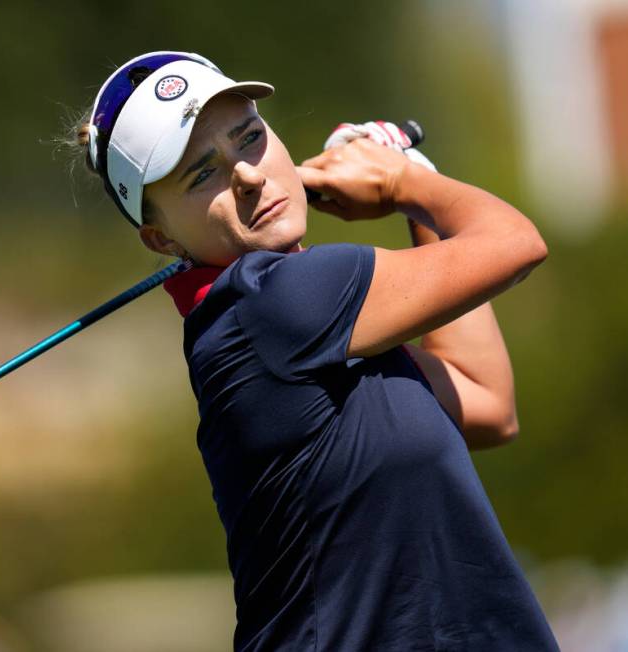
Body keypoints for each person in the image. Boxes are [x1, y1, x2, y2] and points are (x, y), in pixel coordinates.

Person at [71, 51, 559, 651]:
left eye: (250, 137)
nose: (247, 175)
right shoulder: (274, 304)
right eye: (204, 175)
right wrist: (402, 182)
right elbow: (516, 243)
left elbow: (486, 401)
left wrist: (412, 185)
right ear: (162, 237)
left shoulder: (288, 322)